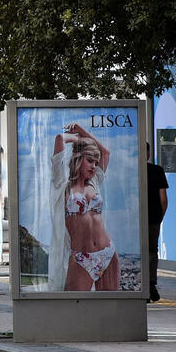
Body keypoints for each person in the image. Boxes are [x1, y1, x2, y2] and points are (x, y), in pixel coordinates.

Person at [51, 122, 119, 291]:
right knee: (74, 310)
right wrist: (76, 138)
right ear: (78, 159)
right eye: (90, 161)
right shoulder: (62, 184)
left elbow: (106, 152)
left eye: (96, 163)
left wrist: (82, 130)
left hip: (107, 253)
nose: (94, 166)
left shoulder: (94, 182)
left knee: (111, 310)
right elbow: (59, 138)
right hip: (81, 257)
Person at [145, 143, 168, 302]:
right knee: (153, 251)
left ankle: (140, 287)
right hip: (153, 218)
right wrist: (160, 217)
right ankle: (151, 283)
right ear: (147, 152)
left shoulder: (131, 172)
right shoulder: (157, 170)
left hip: (135, 220)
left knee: (139, 252)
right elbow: (163, 200)